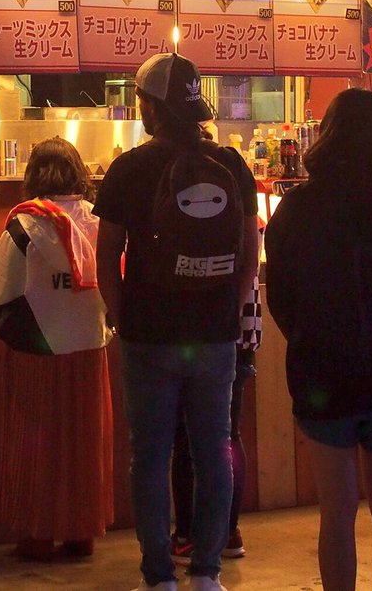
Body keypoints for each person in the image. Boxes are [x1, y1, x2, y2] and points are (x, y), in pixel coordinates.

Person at [94, 52, 258, 591]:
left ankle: (159, 576)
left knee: (150, 458)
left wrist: (123, 319)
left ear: (151, 107)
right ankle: (208, 572)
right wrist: (230, 309)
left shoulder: (129, 168)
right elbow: (250, 252)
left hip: (149, 335)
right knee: (214, 454)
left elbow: (106, 256)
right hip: (215, 337)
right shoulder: (232, 164)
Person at [265, 88, 372, 591]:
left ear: (328, 135)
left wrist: (308, 337)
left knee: (336, 513)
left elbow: (281, 294)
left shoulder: (297, 205)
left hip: (324, 376)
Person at [0, 137, 114, 562]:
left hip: (37, 352)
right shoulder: (100, 221)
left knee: (34, 446)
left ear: (34, 174)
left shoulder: (24, 227)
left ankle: (36, 537)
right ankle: (82, 533)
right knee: (84, 446)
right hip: (90, 346)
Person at [170, 229, 263, 566]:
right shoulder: (244, 205)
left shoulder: (179, 203)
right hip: (238, 330)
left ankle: (187, 536)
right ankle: (228, 532)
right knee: (228, 436)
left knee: (185, 437)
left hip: (189, 332)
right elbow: (251, 266)